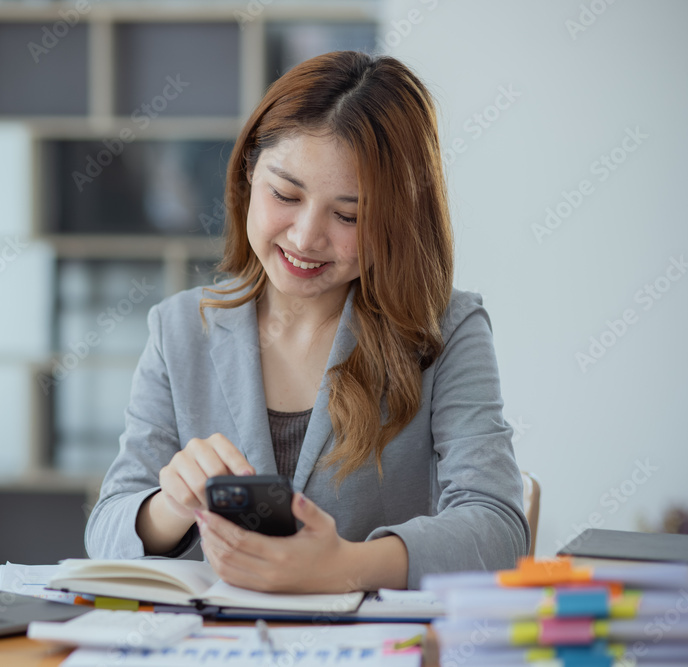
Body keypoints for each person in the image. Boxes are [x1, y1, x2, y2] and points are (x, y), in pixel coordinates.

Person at [84, 50, 529, 592]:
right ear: (249, 171)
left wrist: (344, 566)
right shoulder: (178, 328)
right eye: (285, 195)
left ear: (396, 220)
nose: (304, 238)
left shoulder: (447, 330)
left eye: (348, 216)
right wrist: (170, 504)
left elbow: (499, 528)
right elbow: (106, 530)